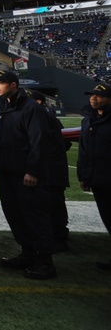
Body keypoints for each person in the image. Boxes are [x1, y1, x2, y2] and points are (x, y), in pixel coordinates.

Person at [0, 70, 59, 280]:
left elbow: (38, 141)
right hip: (6, 170)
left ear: (13, 85)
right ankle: (28, 254)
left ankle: (45, 262)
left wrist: (32, 170)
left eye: (0, 82)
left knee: (34, 216)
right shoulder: (2, 105)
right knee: (14, 215)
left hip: (25, 174)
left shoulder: (31, 108)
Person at [30, 89, 70, 252]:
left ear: (38, 102)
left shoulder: (46, 119)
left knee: (54, 205)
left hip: (51, 169)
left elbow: (59, 144)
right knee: (48, 204)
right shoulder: (45, 118)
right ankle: (54, 235)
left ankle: (59, 237)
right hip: (48, 168)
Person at [78, 82, 111, 271]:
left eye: (99, 95)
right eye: (92, 95)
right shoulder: (88, 119)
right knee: (107, 218)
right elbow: (84, 150)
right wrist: (84, 175)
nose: (94, 98)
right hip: (98, 179)